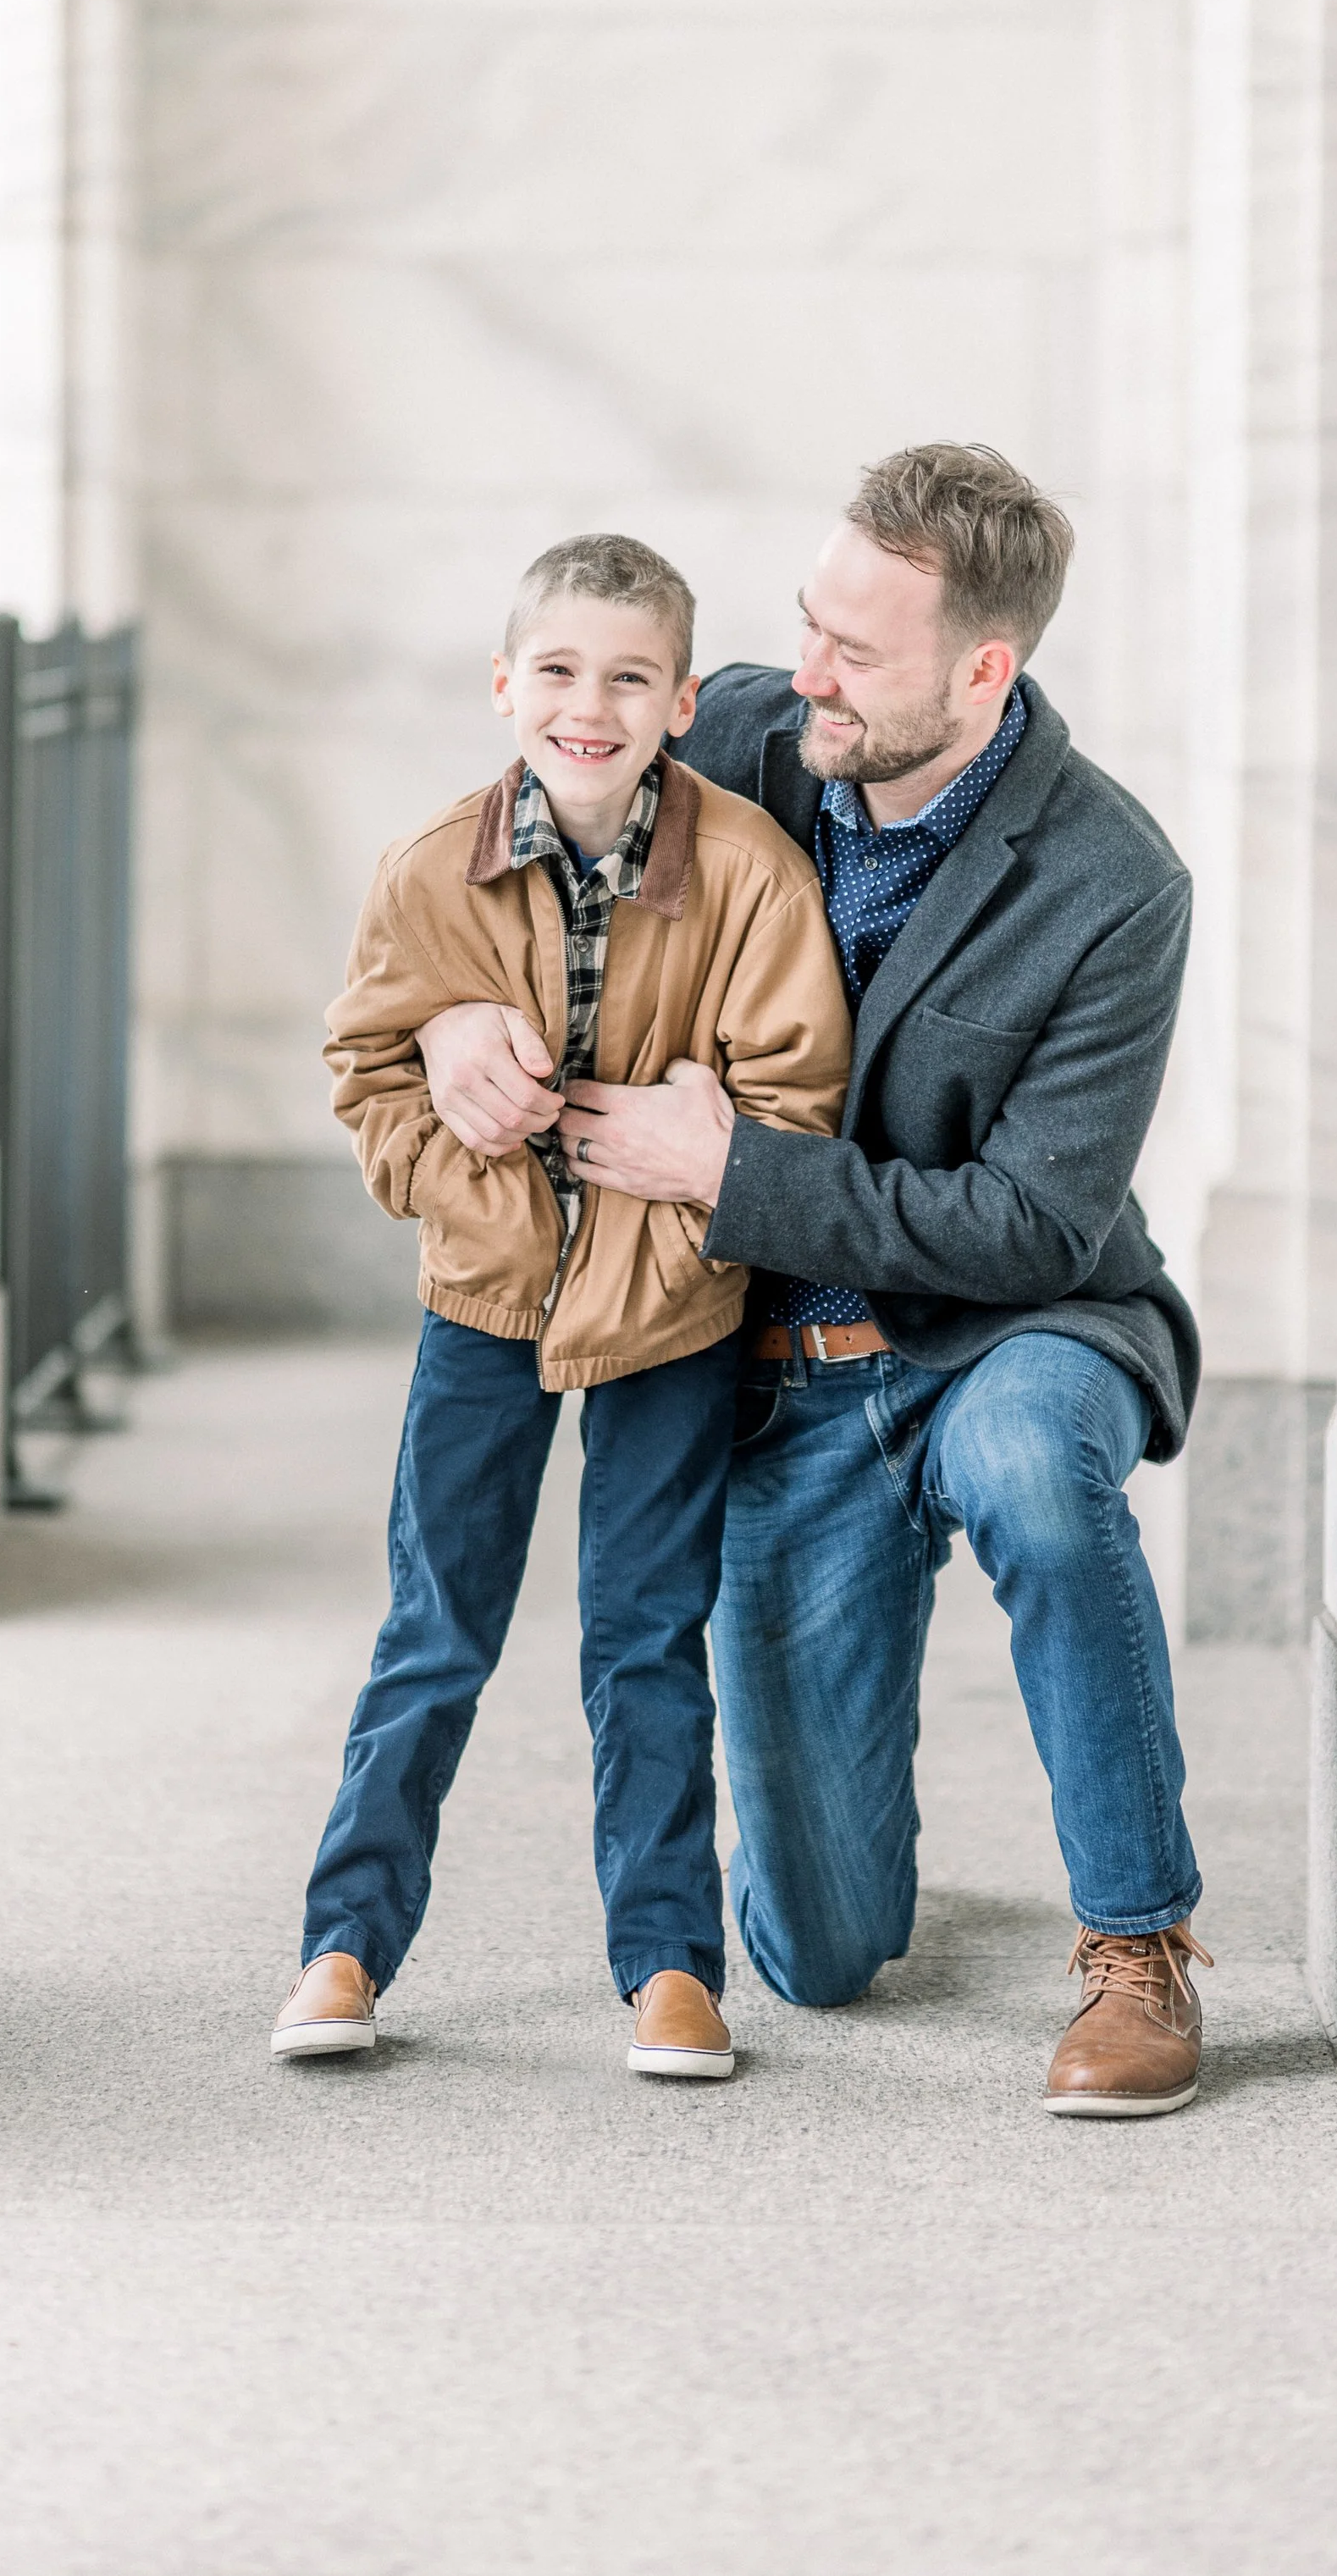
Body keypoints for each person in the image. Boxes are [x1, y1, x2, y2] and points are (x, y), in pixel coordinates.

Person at [415, 448, 1212, 2116]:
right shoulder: (730, 738)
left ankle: (1137, 1946)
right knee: (819, 1955)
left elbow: (1030, 1226)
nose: (813, 676)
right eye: (809, 627)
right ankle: (857, 1839)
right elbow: (482, 868)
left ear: (981, 672)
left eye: (859, 652)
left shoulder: (1113, 882)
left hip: (1016, 1329)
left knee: (1035, 1480)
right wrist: (448, 1018)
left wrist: (733, 1172)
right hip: (784, 1371)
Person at [271, 533, 850, 2081]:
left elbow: (790, 1099)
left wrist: (674, 1208)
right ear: (505, 683)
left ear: (680, 696)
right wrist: (466, 1180)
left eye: (630, 676)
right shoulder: (429, 870)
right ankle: (345, 1943)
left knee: (647, 1635)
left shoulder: (748, 872)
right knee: (434, 1625)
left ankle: (667, 1962)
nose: (588, 705)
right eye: (558, 670)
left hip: (669, 1310)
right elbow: (372, 1072)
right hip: (487, 1299)